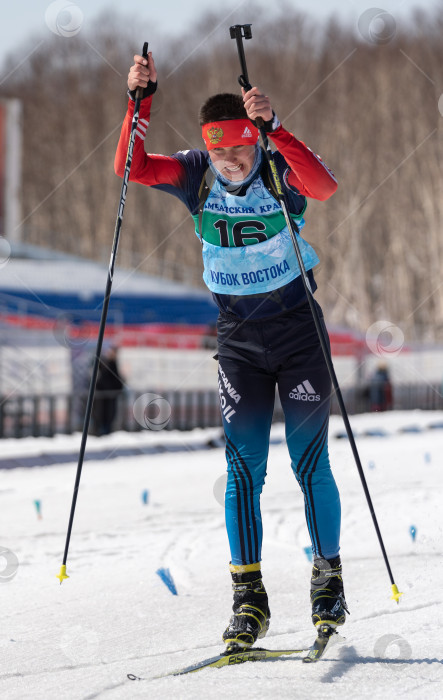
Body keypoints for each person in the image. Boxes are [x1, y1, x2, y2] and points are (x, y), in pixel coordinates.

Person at [115, 51, 348, 651]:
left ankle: (327, 579)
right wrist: (138, 103)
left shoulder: (275, 167)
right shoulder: (195, 172)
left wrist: (275, 130)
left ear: (253, 142)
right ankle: (249, 599)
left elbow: (323, 185)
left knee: (308, 462)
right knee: (243, 469)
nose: (230, 162)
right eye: (221, 153)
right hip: (238, 341)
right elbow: (132, 170)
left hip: (298, 332)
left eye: (239, 151)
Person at [93, 346, 125, 435]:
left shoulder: (112, 363)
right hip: (104, 394)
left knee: (108, 414)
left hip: (109, 394)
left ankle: (105, 430)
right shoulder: (106, 363)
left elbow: (115, 379)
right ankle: (102, 430)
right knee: (103, 414)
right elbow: (107, 378)